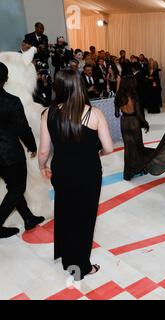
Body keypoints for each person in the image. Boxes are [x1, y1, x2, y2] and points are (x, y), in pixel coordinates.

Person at [38, 70, 114, 280]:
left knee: (65, 213)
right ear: (81, 86)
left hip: (62, 171)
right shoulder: (94, 113)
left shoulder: (48, 113)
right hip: (88, 172)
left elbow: (44, 150)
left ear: (59, 87)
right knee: (85, 218)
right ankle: (81, 266)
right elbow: (108, 148)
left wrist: (42, 166)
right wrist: (95, 151)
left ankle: (66, 258)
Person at [0, 62, 45, 239]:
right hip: (9, 153)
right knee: (18, 188)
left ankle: (28, 218)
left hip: (4, 155)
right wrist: (33, 146)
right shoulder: (11, 101)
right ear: (6, 79)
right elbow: (22, 128)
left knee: (13, 186)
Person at [115, 76, 165, 180]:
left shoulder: (118, 96)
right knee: (138, 146)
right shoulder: (134, 95)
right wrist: (146, 124)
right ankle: (140, 168)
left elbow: (117, 114)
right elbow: (139, 114)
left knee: (128, 148)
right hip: (134, 122)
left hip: (124, 122)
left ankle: (128, 173)